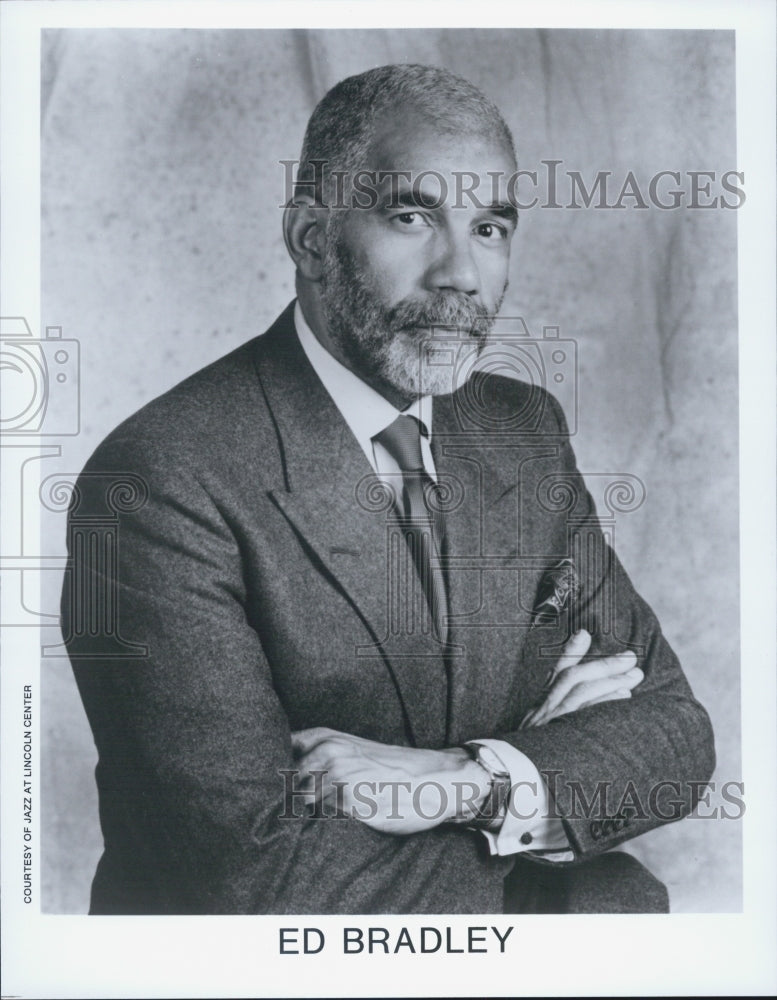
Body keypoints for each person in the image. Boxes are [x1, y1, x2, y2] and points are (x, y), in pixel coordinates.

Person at [62, 64, 715, 915]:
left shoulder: (520, 429)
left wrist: (465, 782)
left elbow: (675, 740)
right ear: (308, 238)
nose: (459, 272)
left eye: (489, 227)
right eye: (411, 217)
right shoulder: (157, 479)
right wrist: (548, 789)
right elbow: (254, 880)